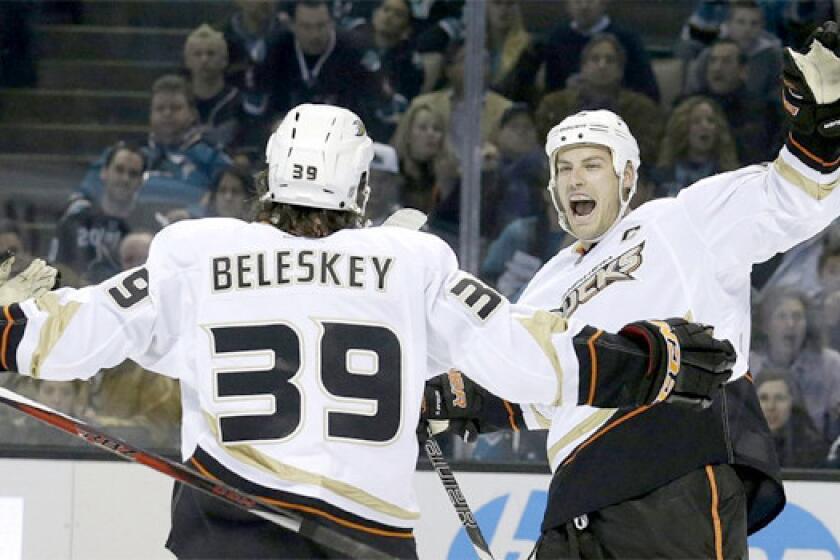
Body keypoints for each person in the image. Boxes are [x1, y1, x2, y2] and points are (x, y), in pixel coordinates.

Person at [0, 103, 735, 559]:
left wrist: (9, 330)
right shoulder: (409, 260)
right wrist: (647, 359)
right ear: (360, 188)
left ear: (269, 177)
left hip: (232, 537)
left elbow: (67, 337)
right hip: (367, 541)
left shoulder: (197, 252)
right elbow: (525, 361)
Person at [431, 22, 840, 558]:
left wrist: (821, 131)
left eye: (593, 166)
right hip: (574, 500)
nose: (577, 179)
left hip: (671, 467)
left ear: (626, 177)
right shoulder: (544, 285)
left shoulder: (679, 219)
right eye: (565, 169)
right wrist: (448, 395)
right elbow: (530, 387)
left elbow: (789, 199)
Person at [50, 142, 147, 284]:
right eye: (119, 170)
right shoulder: (75, 220)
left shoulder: (147, 225)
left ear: (140, 181)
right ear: (104, 172)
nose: (125, 179)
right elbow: (56, 271)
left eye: (133, 174)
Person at [654, 95, 740, 197]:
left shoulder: (729, 178)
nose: (705, 126)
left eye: (710, 121)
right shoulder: (663, 176)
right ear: (682, 128)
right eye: (696, 121)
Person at [183, 24, 243, 148]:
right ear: (187, 61)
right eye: (197, 54)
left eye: (211, 54)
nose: (204, 60)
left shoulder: (238, 101)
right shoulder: (178, 101)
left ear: (224, 60)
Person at [756, 368, 831, 468]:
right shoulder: (737, 444)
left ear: (792, 403)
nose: (771, 407)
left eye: (779, 398)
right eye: (763, 398)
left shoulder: (812, 448)